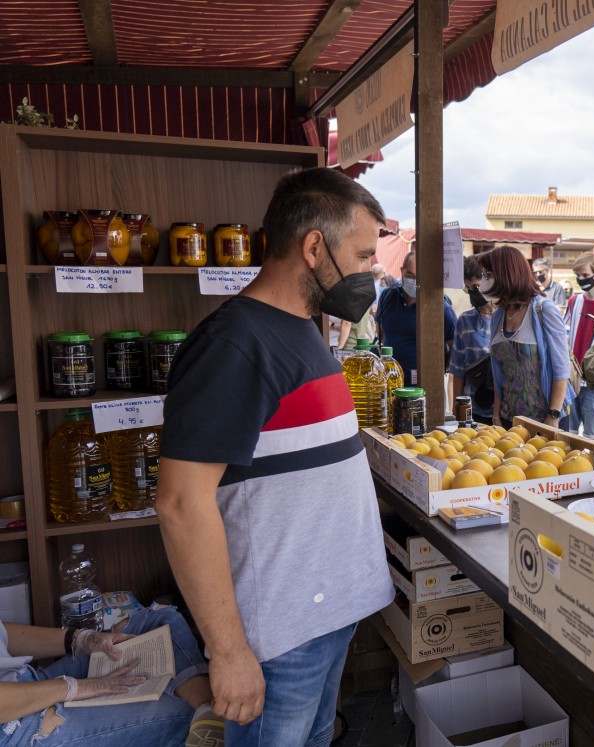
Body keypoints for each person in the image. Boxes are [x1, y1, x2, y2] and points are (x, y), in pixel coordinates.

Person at [157, 167, 395, 747]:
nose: (373, 270)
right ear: (314, 247)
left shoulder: (301, 329)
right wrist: (230, 651)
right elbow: (181, 504)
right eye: (363, 255)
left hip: (324, 617)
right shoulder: (235, 344)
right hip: (280, 639)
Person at [1, 606, 220, 746]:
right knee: (183, 712)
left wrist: (81, 640)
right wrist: (78, 688)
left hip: (26, 680)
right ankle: (208, 719)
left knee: (159, 620)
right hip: (15, 725)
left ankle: (207, 714)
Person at [479, 245, 572, 428]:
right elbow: (500, 373)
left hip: (545, 420)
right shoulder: (498, 316)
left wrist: (552, 417)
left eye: (487, 275)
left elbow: (562, 370)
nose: (483, 281)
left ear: (506, 274)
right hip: (509, 421)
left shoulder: (544, 310)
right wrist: (496, 416)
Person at [374, 251, 458, 386]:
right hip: (390, 380)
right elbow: (380, 329)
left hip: (424, 384)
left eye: (420, 277)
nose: (414, 281)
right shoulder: (388, 296)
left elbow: (454, 344)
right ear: (402, 271)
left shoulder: (440, 307)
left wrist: (440, 370)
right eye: (410, 275)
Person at [564, 252, 594, 439]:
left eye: (585, 275)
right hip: (572, 379)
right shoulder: (574, 301)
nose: (581, 280)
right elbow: (565, 333)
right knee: (568, 435)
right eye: (578, 276)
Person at [449, 256, 495, 424]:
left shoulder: (507, 317)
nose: (473, 293)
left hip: (504, 408)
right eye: (468, 289)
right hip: (474, 408)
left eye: (476, 287)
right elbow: (458, 369)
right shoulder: (465, 320)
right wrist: (457, 407)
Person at [338, 256, 378, 350]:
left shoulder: (349, 293)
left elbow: (347, 323)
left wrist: (340, 347)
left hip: (350, 345)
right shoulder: (365, 293)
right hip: (363, 344)